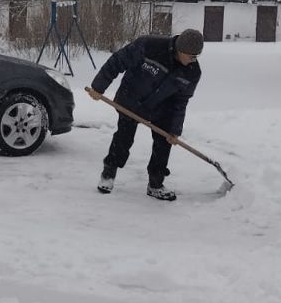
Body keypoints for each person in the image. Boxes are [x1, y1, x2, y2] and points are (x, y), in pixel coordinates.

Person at [86, 28, 204, 201]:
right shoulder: (149, 45)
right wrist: (98, 86)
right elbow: (117, 61)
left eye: (196, 56)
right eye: (191, 56)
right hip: (131, 98)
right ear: (180, 49)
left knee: (163, 144)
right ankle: (109, 173)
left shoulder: (192, 72)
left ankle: (155, 184)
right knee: (124, 138)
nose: (193, 60)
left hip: (162, 107)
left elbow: (181, 102)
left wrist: (174, 130)